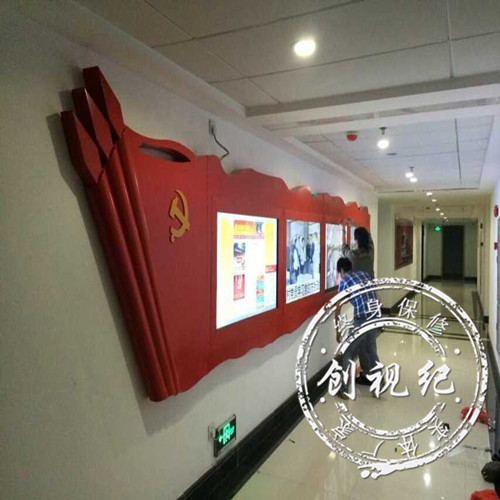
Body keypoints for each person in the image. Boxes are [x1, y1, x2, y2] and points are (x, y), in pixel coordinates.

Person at [334, 257, 382, 398]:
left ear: (341, 270)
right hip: (375, 315)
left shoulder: (344, 281)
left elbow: (338, 307)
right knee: (371, 350)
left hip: (362, 319)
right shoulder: (364, 274)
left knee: (347, 352)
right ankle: (380, 383)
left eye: (339, 273)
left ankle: (343, 389)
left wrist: (337, 330)